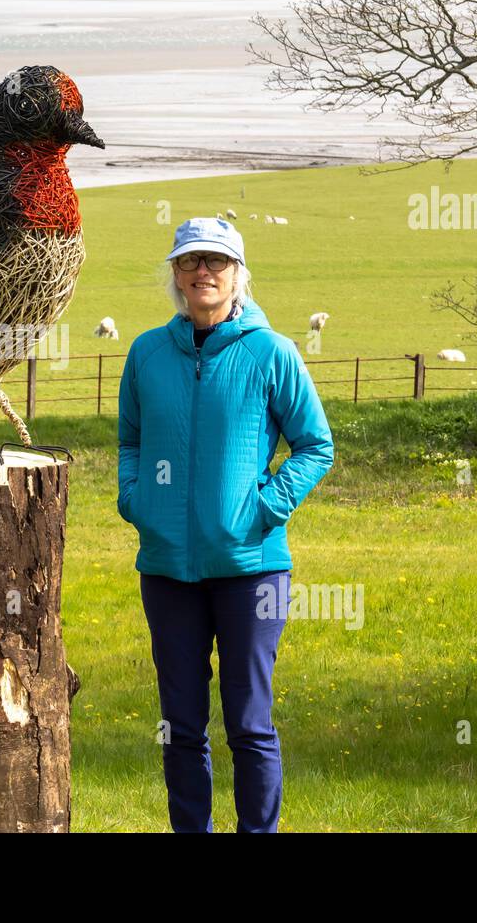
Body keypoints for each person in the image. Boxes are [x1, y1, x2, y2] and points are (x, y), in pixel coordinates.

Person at [117, 216, 334, 833]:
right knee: (181, 726)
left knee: (249, 724)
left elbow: (315, 446)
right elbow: (130, 440)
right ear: (176, 276)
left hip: (253, 571)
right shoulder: (147, 353)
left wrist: (263, 507)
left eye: (216, 262)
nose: (203, 272)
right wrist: (137, 501)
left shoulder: (272, 352)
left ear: (238, 275)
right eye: (190, 262)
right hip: (167, 571)